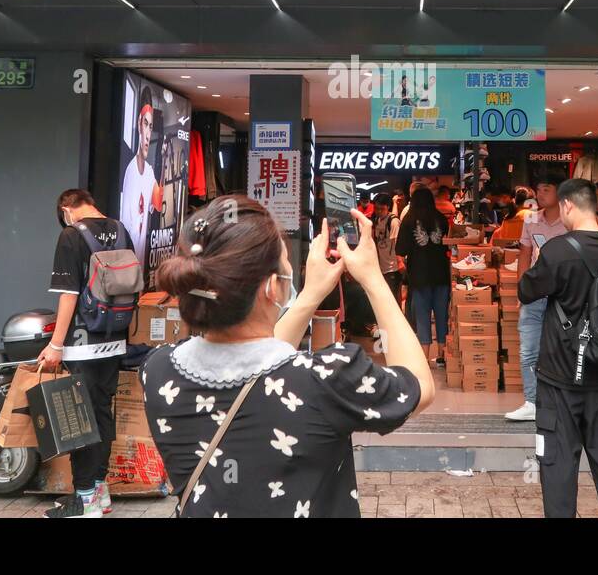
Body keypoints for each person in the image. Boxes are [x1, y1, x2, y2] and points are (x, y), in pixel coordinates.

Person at [143, 197, 434, 517]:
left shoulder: (159, 371)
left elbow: (258, 369)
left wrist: (310, 295)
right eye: (286, 267)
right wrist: (373, 279)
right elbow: (418, 385)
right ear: (272, 289)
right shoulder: (327, 379)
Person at [518, 177, 598, 518]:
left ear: (567, 205)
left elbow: (527, 290)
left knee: (557, 467)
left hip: (559, 376)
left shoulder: (557, 250)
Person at [39, 189, 134, 519]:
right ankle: (99, 491)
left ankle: (83, 499)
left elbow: (68, 295)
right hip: (116, 338)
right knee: (101, 412)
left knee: (79, 420)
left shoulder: (71, 236)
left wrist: (56, 344)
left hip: (84, 340)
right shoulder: (122, 230)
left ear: (67, 209)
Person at [505, 173, 568, 422]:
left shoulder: (570, 221)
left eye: (546, 189)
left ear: (560, 192)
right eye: (538, 190)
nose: (540, 194)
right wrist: (522, 288)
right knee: (529, 349)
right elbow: (524, 254)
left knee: (562, 348)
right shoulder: (530, 219)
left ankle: (561, 400)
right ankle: (532, 401)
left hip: (565, 295)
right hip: (535, 293)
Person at [395, 187, 451, 366]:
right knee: (442, 315)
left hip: (419, 276)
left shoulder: (409, 220)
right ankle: (442, 356)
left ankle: (425, 357)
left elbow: (400, 251)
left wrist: (403, 265)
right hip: (441, 274)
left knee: (422, 315)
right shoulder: (441, 219)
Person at [119, 86, 158, 267]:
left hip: (139, 266)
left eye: (151, 126)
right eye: (145, 123)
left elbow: (158, 204)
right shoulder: (130, 172)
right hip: (128, 264)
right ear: (138, 124)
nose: (148, 134)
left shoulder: (149, 172)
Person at [372, 192, 403, 305]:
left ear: (388, 207)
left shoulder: (393, 221)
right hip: (382, 267)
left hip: (393, 268)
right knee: (385, 299)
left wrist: (400, 262)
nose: (379, 211)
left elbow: (397, 244)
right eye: (376, 208)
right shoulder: (377, 220)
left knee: (393, 300)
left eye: (381, 209)